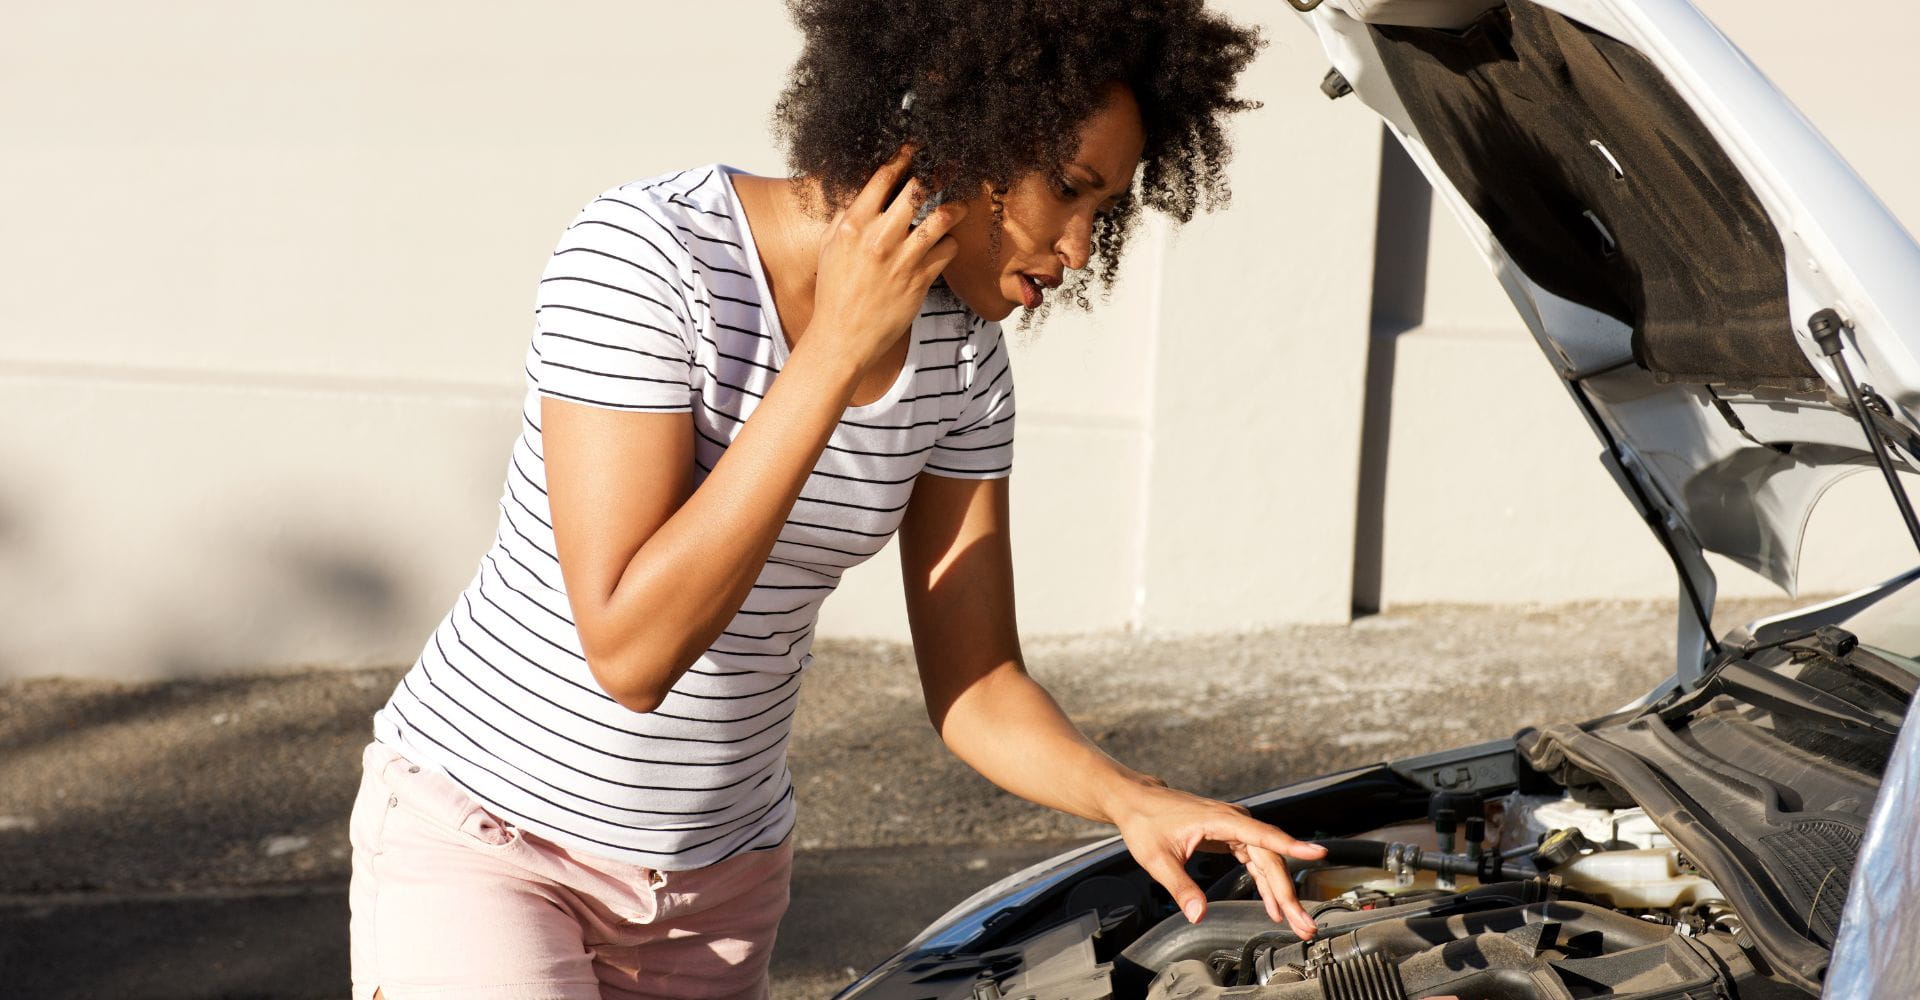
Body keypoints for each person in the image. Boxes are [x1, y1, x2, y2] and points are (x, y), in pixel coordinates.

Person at [347, 2, 1329, 998]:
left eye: (1105, 209)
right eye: (1069, 189)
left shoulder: (963, 360)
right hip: (491, 843)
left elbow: (979, 681)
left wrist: (1132, 797)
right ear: (964, 125)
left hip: (717, 895)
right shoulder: (649, 256)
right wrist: (832, 353)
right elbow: (631, 652)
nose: (1079, 246)